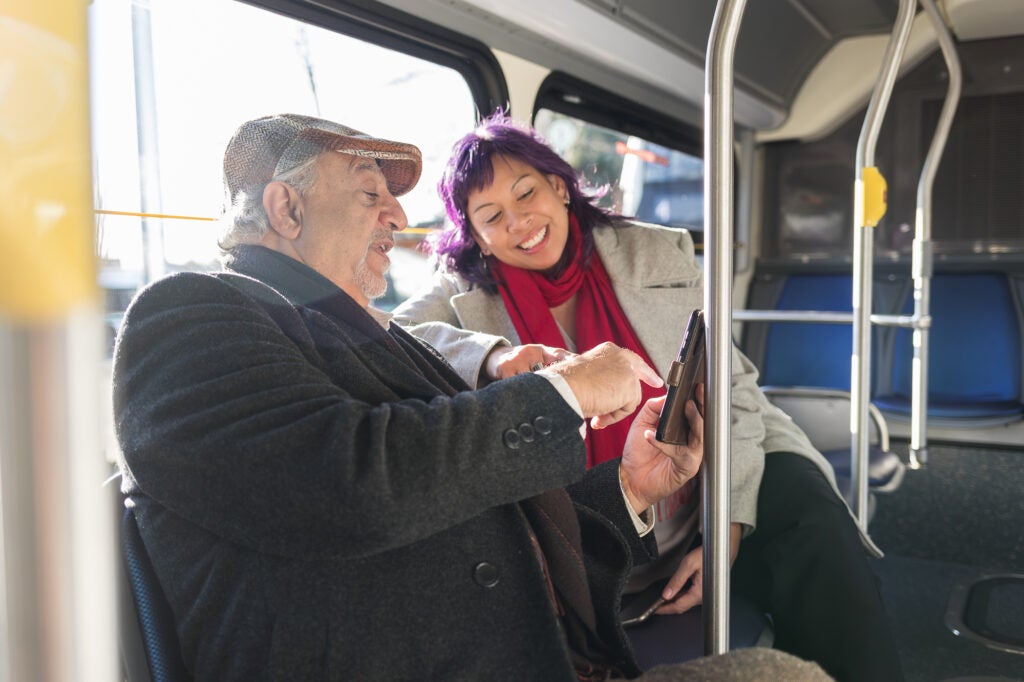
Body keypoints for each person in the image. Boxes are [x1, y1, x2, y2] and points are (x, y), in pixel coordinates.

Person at [112, 113, 832, 681]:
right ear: (285, 208)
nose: (397, 217)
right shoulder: (190, 316)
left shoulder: (375, 336)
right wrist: (565, 389)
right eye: (371, 192)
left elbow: (483, 510)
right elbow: (356, 484)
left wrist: (629, 486)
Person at [391, 113, 904, 682]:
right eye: (492, 217)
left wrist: (726, 529)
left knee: (811, 515)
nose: (520, 222)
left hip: (709, 476)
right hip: (591, 509)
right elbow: (393, 333)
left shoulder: (657, 252)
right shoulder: (461, 293)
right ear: (477, 236)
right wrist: (492, 358)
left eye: (527, 193)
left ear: (559, 187)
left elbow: (730, 389)